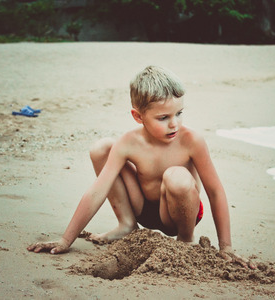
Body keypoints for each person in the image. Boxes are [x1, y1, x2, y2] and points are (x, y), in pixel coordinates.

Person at [27, 66, 255, 268]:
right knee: (102, 148)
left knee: (176, 176)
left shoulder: (191, 140)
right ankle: (126, 224)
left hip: (179, 213)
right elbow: (98, 189)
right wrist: (66, 240)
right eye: (163, 117)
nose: (174, 123)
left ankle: (186, 240)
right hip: (143, 208)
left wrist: (226, 247)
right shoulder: (129, 142)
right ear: (138, 116)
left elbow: (215, 191)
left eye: (179, 113)